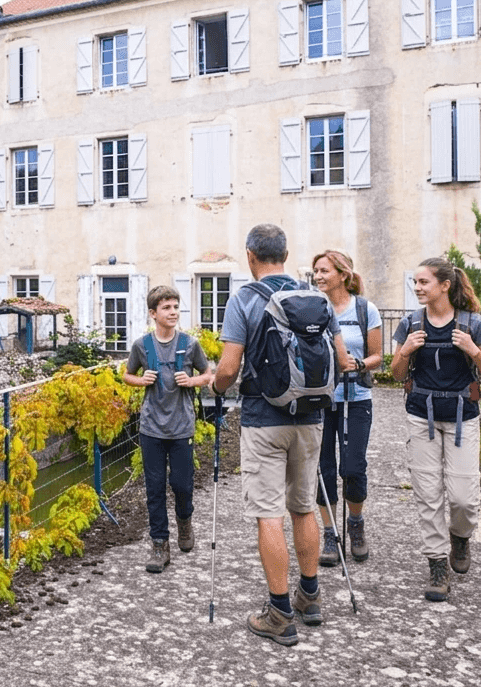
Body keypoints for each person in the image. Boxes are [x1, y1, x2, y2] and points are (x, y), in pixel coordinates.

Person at [210, 224, 352, 647]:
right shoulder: (316, 299)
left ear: (251, 256)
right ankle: (309, 597)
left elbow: (228, 369)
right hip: (310, 418)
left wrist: (216, 386)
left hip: (264, 419)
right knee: (304, 508)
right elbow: (342, 360)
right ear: (286, 256)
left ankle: (278, 613)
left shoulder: (243, 299)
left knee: (268, 513)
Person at [390, 257, 481, 602]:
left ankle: (460, 537)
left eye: (423, 282)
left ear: (445, 285)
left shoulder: (473, 323)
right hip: (421, 416)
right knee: (428, 494)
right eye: (415, 282)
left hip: (462, 417)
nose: (417, 288)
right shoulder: (410, 323)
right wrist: (405, 351)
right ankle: (437, 565)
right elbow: (396, 373)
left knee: (463, 497)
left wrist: (472, 350)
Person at [121, 286, 213, 573]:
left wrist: (192, 381)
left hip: (182, 427)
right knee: (154, 488)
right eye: (166, 308)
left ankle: (185, 522)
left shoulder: (190, 344)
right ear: (153, 313)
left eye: (175, 307)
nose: (173, 312)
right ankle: (160, 544)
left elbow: (208, 374)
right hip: (151, 428)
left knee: (182, 485)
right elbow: (127, 375)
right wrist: (141, 380)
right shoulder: (142, 345)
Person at [312, 250, 382, 567]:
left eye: (324, 270)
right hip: (321, 400)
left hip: (356, 399)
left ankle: (355, 523)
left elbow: (377, 357)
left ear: (343, 274)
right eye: (316, 271)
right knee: (323, 469)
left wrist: (358, 364)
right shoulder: (312, 309)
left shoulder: (365, 309)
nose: (318, 276)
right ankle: (330, 533)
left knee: (352, 468)